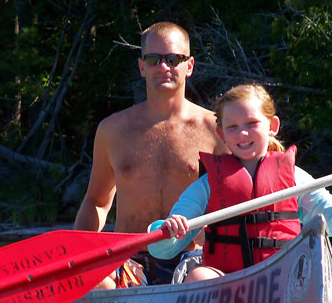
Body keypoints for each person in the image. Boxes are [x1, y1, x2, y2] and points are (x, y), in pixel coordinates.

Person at [148, 82, 332, 282]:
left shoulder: (295, 178)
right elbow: (161, 249)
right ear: (221, 134)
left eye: (251, 123)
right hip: (226, 279)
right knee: (198, 276)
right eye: (233, 127)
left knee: (312, 272)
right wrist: (171, 229)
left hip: (281, 277)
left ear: (272, 127)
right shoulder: (207, 185)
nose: (242, 133)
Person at [74, 22, 225, 287]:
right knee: (98, 281)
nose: (163, 67)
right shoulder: (112, 130)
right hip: (127, 259)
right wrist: (77, 256)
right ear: (142, 67)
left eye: (173, 59)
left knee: (201, 279)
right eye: (154, 59)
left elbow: (235, 202)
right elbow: (96, 203)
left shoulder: (216, 129)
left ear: (189, 66)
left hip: (191, 260)